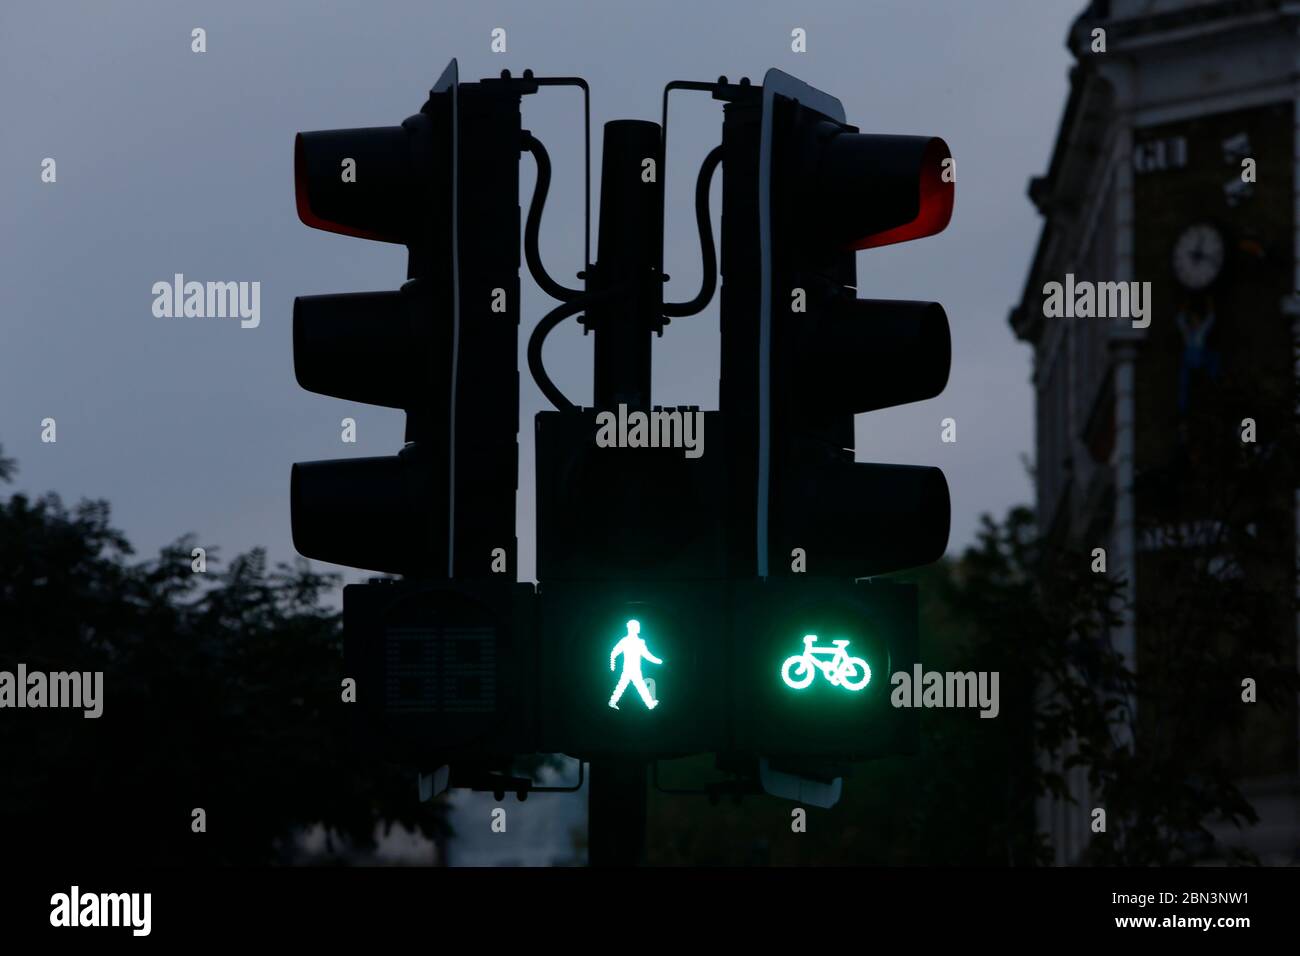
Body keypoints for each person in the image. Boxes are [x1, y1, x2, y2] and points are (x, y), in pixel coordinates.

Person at [608, 619, 662, 710]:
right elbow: (614, 652)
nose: (638, 628)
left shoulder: (638, 642)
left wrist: (657, 660)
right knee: (637, 686)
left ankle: (612, 702)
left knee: (625, 686)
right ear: (632, 628)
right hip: (631, 669)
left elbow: (646, 654)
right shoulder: (626, 641)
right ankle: (650, 704)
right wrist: (612, 664)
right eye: (637, 626)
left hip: (633, 669)